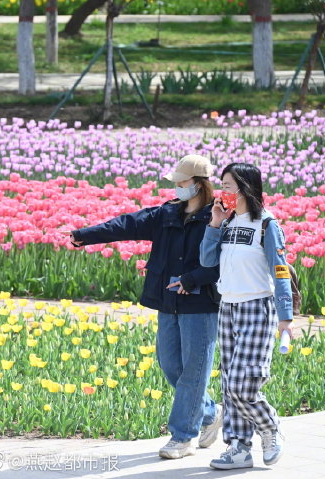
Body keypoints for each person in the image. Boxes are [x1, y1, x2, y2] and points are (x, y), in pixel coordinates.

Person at [69, 154, 223, 460]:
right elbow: (126, 224)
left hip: (201, 304)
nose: (178, 187)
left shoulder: (218, 217)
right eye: (177, 182)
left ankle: (183, 437)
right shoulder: (166, 214)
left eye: (183, 182)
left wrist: (192, 280)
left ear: (200, 184)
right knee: (171, 366)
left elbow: (225, 263)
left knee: (193, 373)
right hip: (168, 301)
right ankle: (209, 412)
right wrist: (84, 235)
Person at [199, 162, 293, 470]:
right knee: (229, 383)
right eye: (221, 186)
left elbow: (280, 271)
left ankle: (269, 427)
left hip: (257, 307)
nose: (221, 192)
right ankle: (238, 448)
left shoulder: (267, 224)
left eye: (227, 186)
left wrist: (285, 317)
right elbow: (207, 259)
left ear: (245, 189)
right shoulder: (225, 223)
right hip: (228, 306)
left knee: (244, 383)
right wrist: (213, 225)